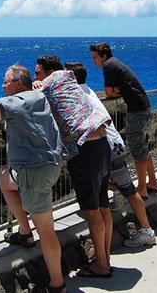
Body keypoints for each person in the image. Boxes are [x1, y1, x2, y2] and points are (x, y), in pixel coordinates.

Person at [0, 65, 66, 293]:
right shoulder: (39, 95)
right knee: (4, 179)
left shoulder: (12, 103)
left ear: (18, 84)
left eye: (6, 81)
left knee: (47, 231)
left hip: (34, 172)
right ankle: (25, 232)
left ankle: (57, 285)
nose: (3, 85)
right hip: (51, 165)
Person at [33, 56, 113, 278]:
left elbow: (29, 99)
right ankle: (104, 258)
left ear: (48, 72)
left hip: (85, 150)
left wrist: (38, 86)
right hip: (102, 144)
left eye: (38, 73)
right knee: (102, 205)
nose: (35, 77)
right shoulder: (68, 79)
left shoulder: (51, 81)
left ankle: (102, 266)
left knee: (92, 210)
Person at [64, 62, 157, 249]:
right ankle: (147, 230)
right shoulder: (88, 91)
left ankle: (109, 242)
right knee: (128, 188)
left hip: (103, 147)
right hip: (115, 143)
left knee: (101, 189)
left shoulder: (76, 96)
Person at [89, 42, 157, 199]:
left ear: (103, 56)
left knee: (137, 150)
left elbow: (108, 91)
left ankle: (142, 188)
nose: (93, 61)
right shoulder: (115, 63)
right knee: (142, 147)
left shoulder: (108, 65)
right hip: (143, 106)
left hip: (136, 110)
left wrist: (115, 92)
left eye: (95, 57)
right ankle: (153, 182)